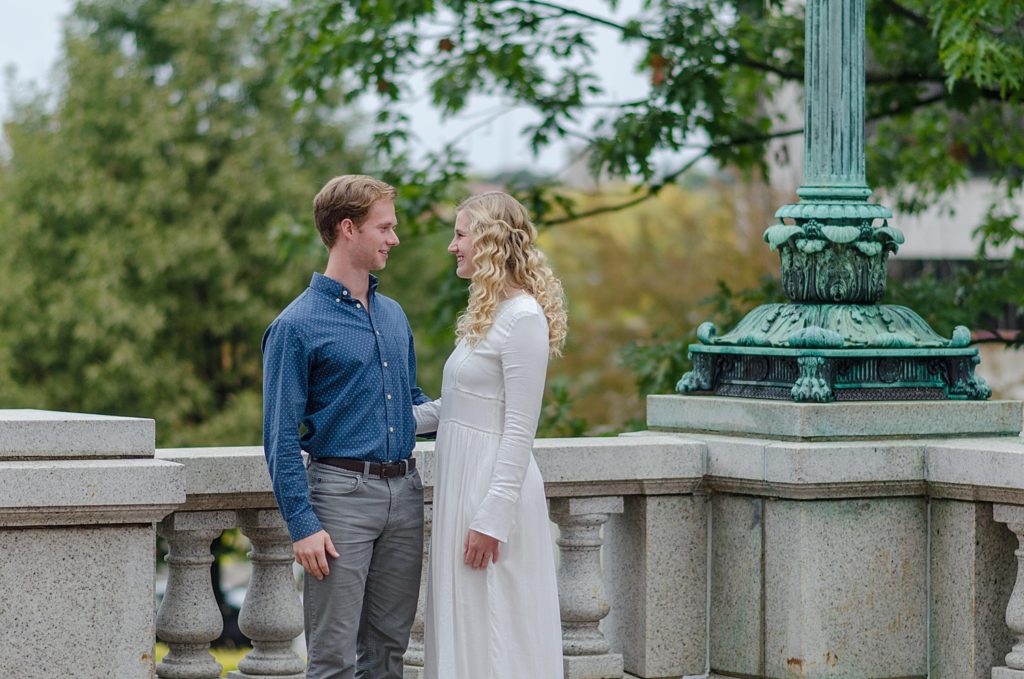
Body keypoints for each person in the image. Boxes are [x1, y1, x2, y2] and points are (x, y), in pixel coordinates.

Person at [262, 174, 429, 679]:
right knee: (333, 659)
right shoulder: (295, 326)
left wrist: (484, 408)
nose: (394, 239)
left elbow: (412, 405)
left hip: (405, 493)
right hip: (339, 502)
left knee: (388, 654)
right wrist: (303, 524)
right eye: (386, 227)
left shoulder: (395, 316)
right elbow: (278, 438)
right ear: (348, 229)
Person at [414, 191, 568, 679]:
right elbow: (453, 409)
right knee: (466, 623)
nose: (451, 246)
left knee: (500, 628)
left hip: (490, 497)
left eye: (460, 235)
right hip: (461, 488)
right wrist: (380, 416)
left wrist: (493, 517)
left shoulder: (523, 318)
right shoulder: (486, 316)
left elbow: (521, 428)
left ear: (490, 241)